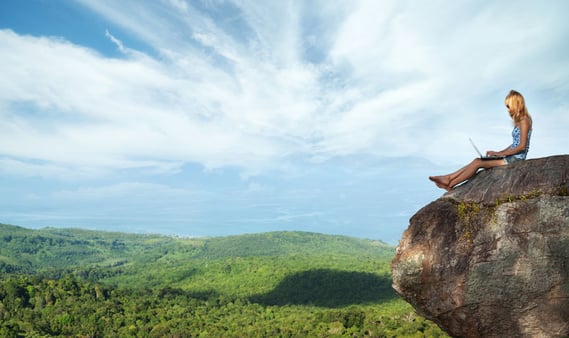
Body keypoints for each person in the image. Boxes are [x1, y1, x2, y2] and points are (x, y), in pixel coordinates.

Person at [429, 90, 532, 191]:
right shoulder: (521, 121)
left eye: (509, 106)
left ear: (516, 104)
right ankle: (449, 179)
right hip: (511, 157)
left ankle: (450, 182)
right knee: (476, 160)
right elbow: (515, 144)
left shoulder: (524, 121)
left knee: (478, 163)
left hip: (515, 159)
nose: (508, 110)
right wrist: (498, 153)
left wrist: (501, 154)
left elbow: (521, 146)